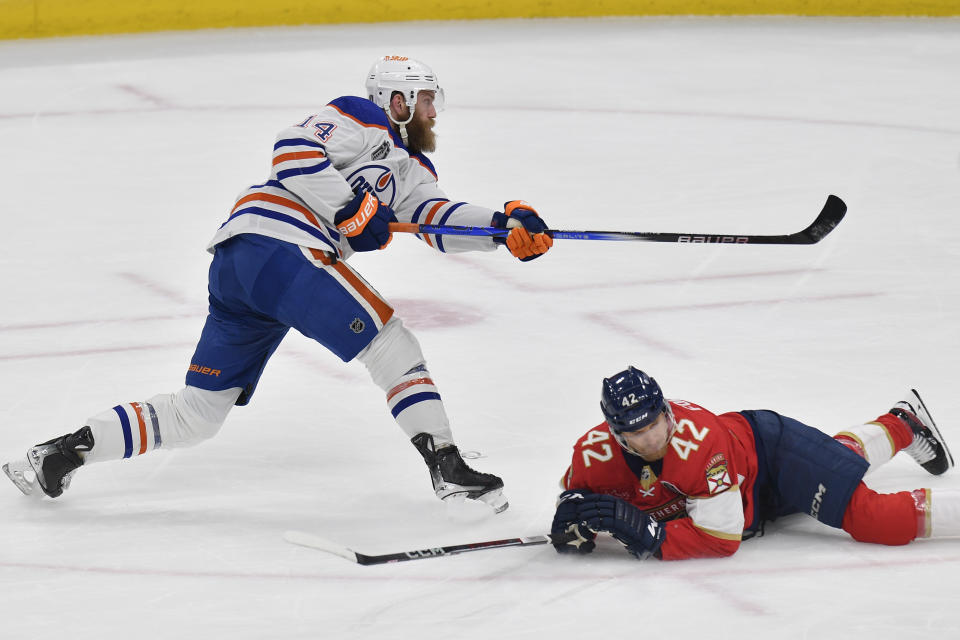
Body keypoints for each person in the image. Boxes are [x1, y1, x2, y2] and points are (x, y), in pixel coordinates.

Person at [3, 55, 555, 513]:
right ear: (397, 100)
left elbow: (435, 218)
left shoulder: (411, 170)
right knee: (389, 342)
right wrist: (351, 211)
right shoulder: (361, 118)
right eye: (426, 99)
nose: (435, 111)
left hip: (241, 265)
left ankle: (65, 451)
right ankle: (447, 466)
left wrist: (503, 228)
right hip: (279, 240)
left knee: (197, 414)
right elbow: (292, 150)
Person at [551, 366, 958, 560]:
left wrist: (648, 533)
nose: (652, 439)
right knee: (838, 463)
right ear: (616, 434)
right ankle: (904, 423)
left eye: (656, 424)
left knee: (872, 517)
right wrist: (571, 517)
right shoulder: (592, 454)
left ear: (667, 412)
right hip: (744, 493)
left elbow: (721, 539)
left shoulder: (701, 443)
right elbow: (573, 495)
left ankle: (904, 425)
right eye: (637, 434)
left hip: (770, 455)